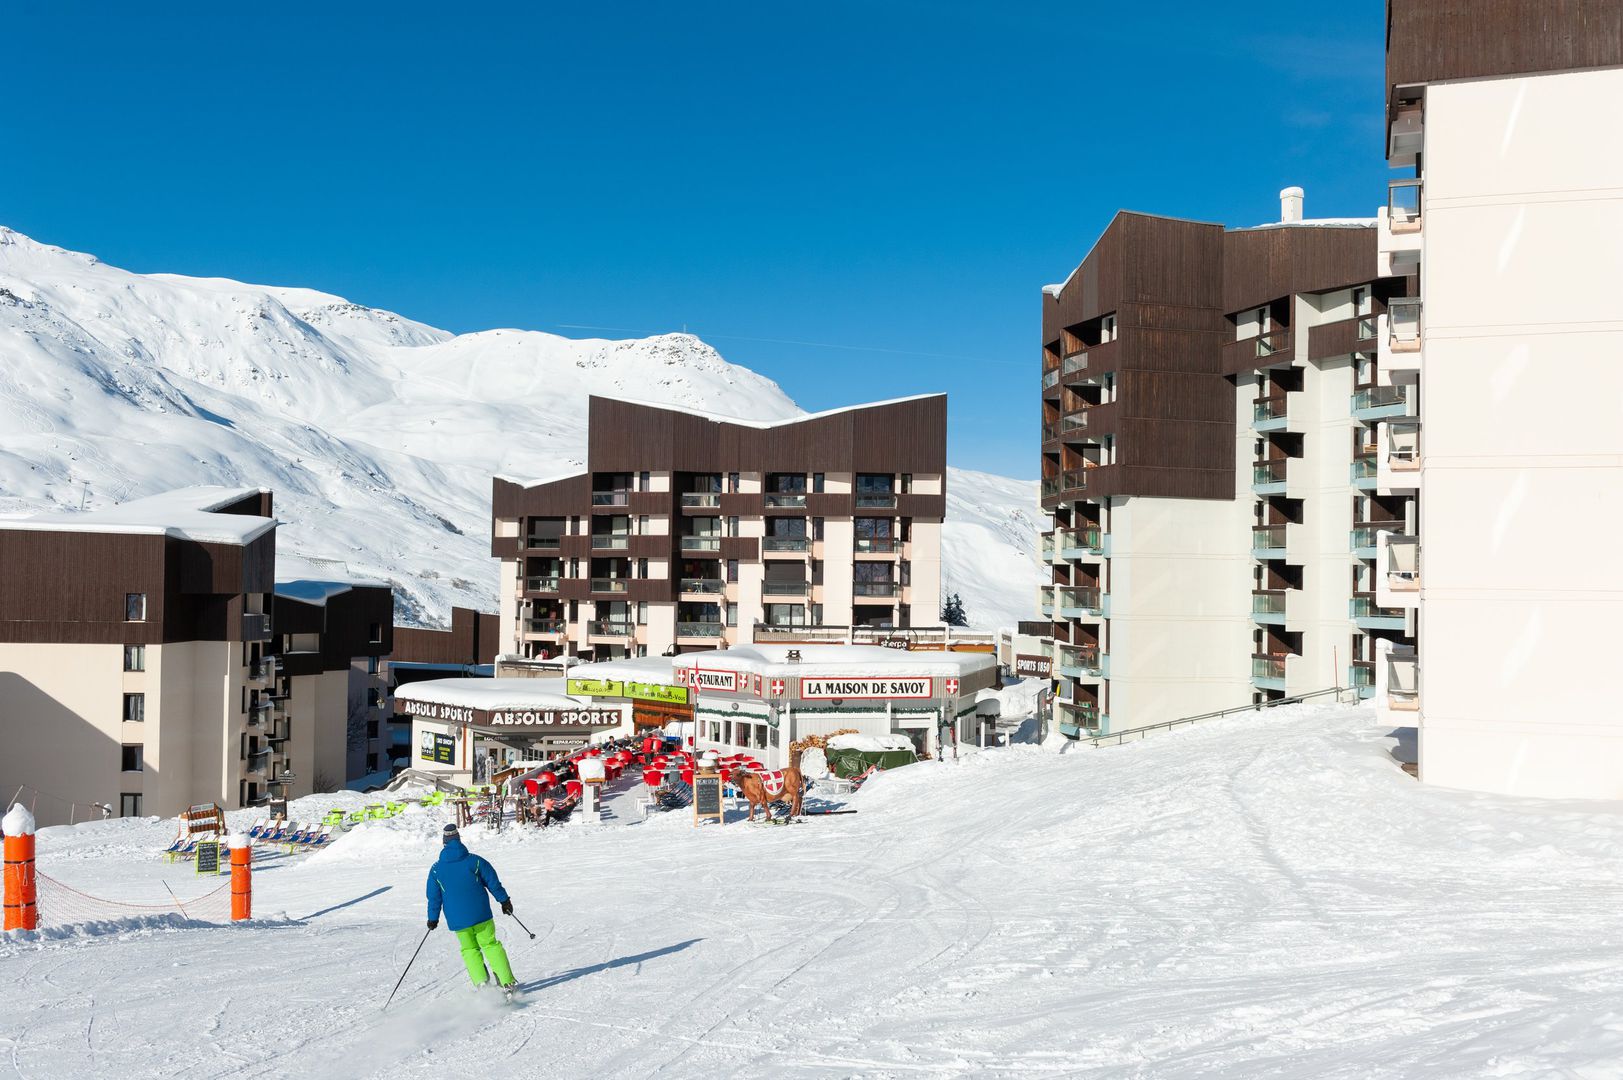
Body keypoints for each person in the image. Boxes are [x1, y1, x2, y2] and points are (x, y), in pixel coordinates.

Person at [426, 823, 518, 994]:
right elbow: (493, 883)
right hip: (481, 915)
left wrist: (433, 918)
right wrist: (504, 901)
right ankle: (507, 982)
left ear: (444, 843)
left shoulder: (436, 869)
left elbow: (434, 897)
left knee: (469, 950)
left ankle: (482, 984)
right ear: (459, 840)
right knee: (491, 945)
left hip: (458, 920)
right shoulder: (475, 861)